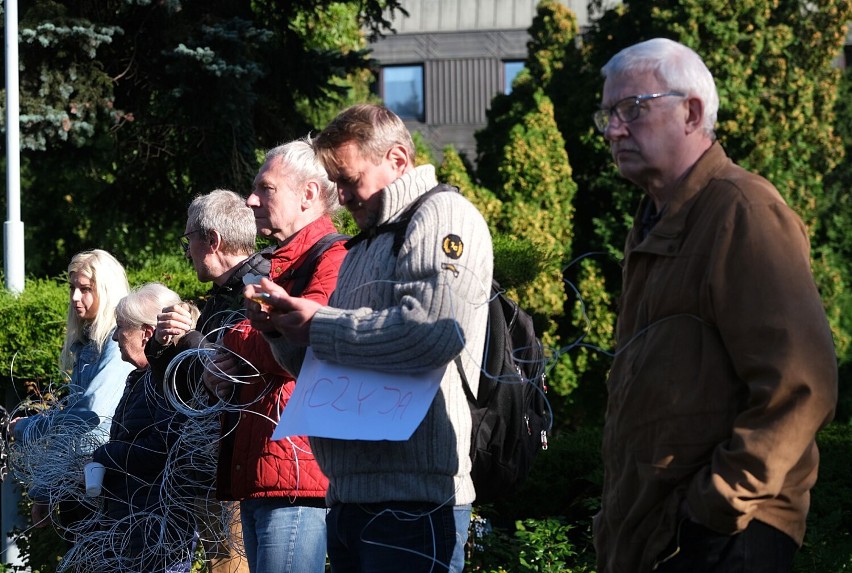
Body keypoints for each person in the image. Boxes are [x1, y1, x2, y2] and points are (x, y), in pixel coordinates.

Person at [591, 38, 838, 573]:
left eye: (632, 109)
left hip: (728, 540)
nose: (613, 129)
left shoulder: (741, 210)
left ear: (692, 112)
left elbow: (802, 385)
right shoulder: (654, 221)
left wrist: (715, 504)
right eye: (608, 114)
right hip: (661, 540)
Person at [241, 104, 494, 572]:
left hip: (415, 502)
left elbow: (432, 335)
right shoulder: (365, 244)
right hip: (351, 498)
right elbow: (331, 363)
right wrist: (281, 329)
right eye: (334, 182)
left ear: (397, 161)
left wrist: (318, 323)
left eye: (349, 179)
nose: (341, 196)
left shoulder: (443, 216)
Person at [198, 138, 347, 573]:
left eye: (266, 188)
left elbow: (305, 336)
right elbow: (257, 333)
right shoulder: (280, 261)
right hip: (268, 468)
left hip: (297, 474)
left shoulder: (330, 258)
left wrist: (234, 346)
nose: (251, 199)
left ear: (308, 195)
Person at [146, 189, 269, 573]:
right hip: (214, 464)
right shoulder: (222, 295)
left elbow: (233, 375)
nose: (187, 251)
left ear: (212, 240)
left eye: (190, 240)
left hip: (243, 460)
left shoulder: (257, 287)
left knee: (234, 565)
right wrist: (163, 344)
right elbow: (185, 388)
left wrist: (192, 338)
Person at [10, 249, 135, 538]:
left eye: (86, 289)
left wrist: (28, 427)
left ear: (106, 289)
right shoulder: (88, 344)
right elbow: (70, 428)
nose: (75, 297)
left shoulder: (117, 345)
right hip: (80, 481)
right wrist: (44, 490)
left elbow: (87, 415)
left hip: (104, 485)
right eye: (73, 288)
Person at [90, 282, 200, 572]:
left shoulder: (167, 380)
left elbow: (164, 447)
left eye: (120, 328)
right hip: (134, 523)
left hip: (157, 529)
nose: (115, 336)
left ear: (146, 334)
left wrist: (103, 456)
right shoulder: (140, 379)